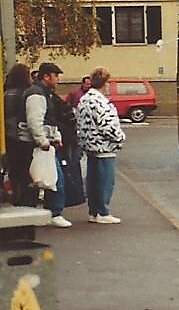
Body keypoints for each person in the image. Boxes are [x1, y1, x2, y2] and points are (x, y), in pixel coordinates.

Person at [19, 63, 70, 227]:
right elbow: (35, 121)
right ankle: (54, 212)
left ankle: (38, 212)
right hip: (39, 145)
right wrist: (43, 141)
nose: (58, 80)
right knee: (53, 179)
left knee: (41, 178)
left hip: (40, 143)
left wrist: (55, 136)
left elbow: (47, 120)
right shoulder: (37, 95)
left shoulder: (41, 93)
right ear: (46, 77)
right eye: (56, 76)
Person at [77, 67, 126, 224]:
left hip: (90, 146)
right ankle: (103, 212)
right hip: (104, 147)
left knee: (93, 181)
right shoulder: (100, 101)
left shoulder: (85, 99)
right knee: (105, 181)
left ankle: (94, 211)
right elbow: (107, 125)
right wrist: (120, 138)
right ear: (104, 83)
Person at [3, 63, 33, 206]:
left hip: (8, 137)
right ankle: (25, 199)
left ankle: (16, 196)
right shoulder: (25, 94)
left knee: (14, 170)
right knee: (25, 170)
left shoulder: (6, 94)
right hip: (22, 136)